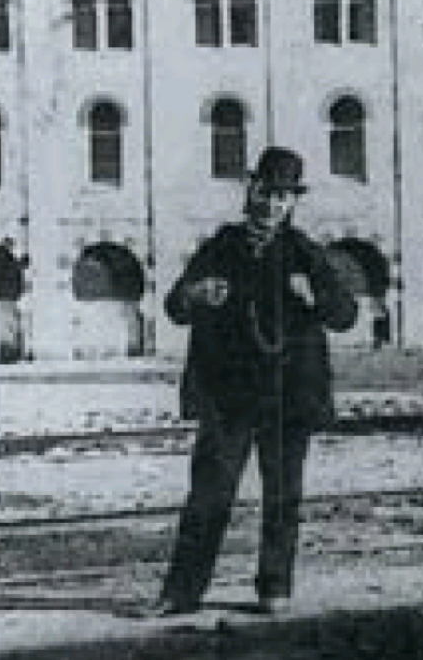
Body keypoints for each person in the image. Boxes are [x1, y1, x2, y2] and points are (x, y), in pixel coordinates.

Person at [153, 146, 358, 616]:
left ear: (291, 203)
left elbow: (345, 315)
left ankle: (274, 588)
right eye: (266, 192)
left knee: (282, 496)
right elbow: (173, 307)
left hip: (290, 397)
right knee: (209, 493)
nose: (272, 204)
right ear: (251, 191)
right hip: (229, 397)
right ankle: (181, 593)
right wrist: (195, 292)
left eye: (283, 197)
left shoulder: (305, 252)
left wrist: (318, 293)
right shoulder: (220, 247)